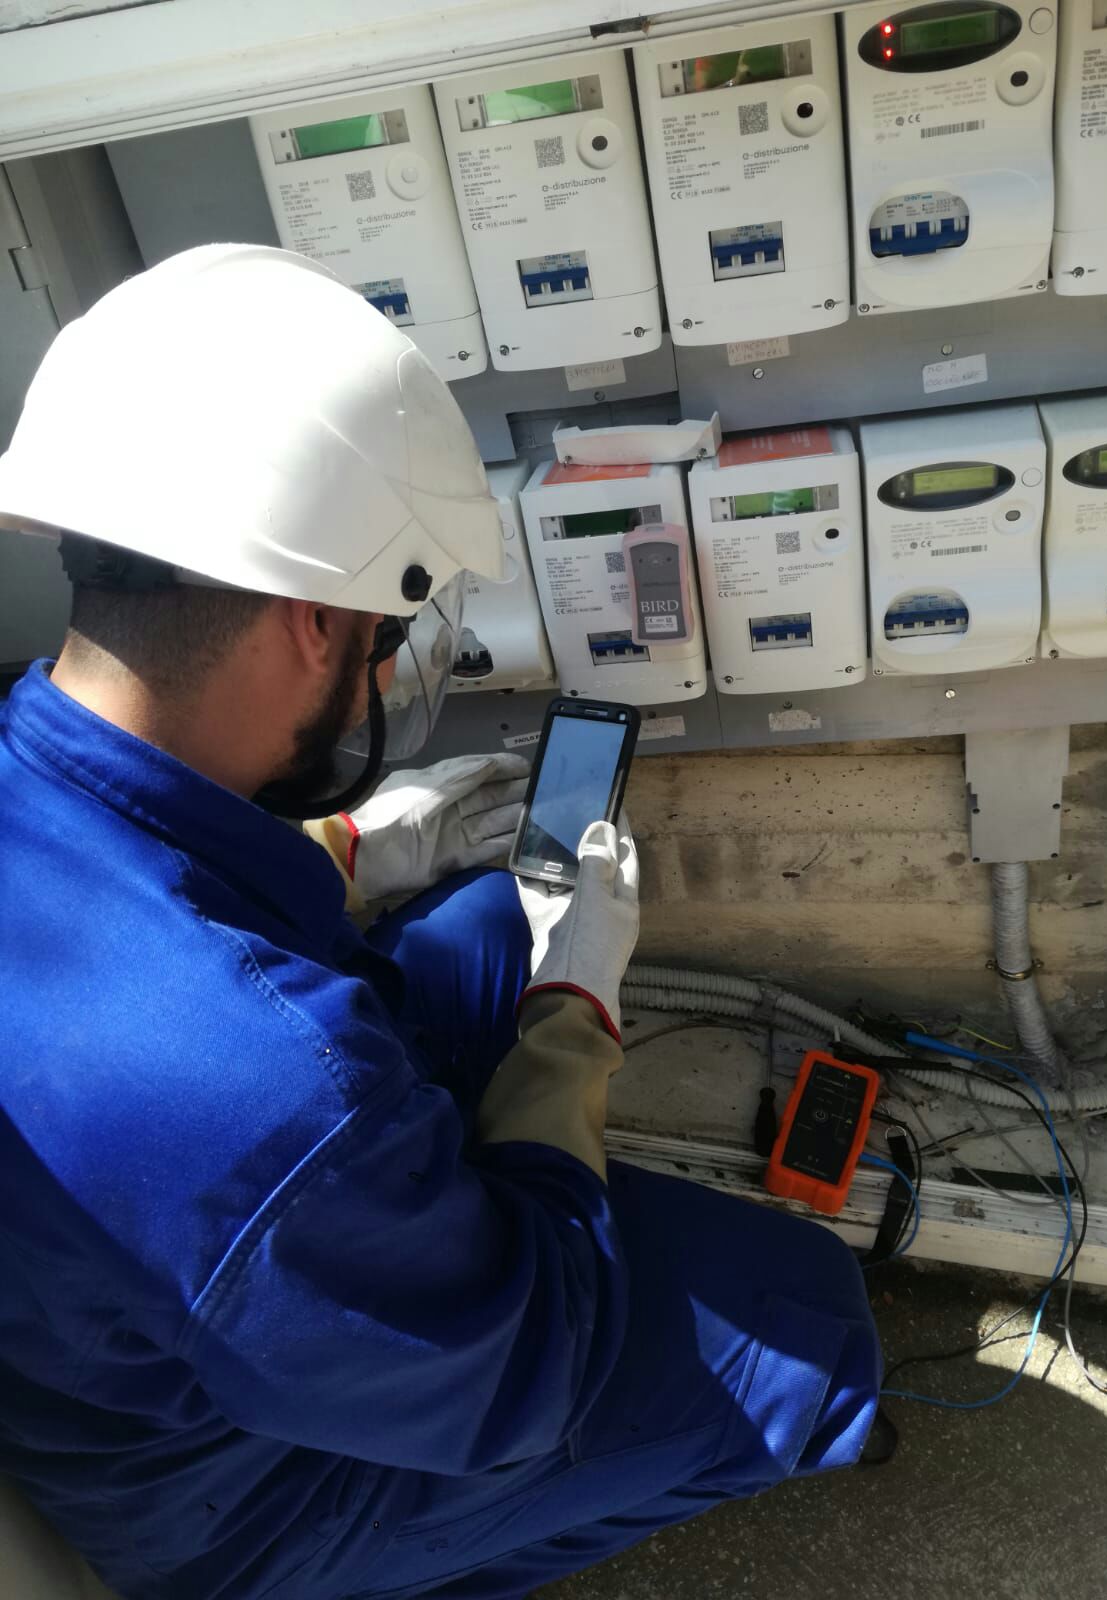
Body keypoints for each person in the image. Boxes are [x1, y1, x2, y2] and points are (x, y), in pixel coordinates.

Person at [0, 245, 880, 1600]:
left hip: (148, 1278)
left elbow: (141, 874)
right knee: (803, 1319)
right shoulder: (268, 1093)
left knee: (489, 921)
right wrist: (576, 1019)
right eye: (384, 635)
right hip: (239, 1497)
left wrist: (349, 846)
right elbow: (533, 1359)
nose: (387, 669)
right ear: (313, 620)